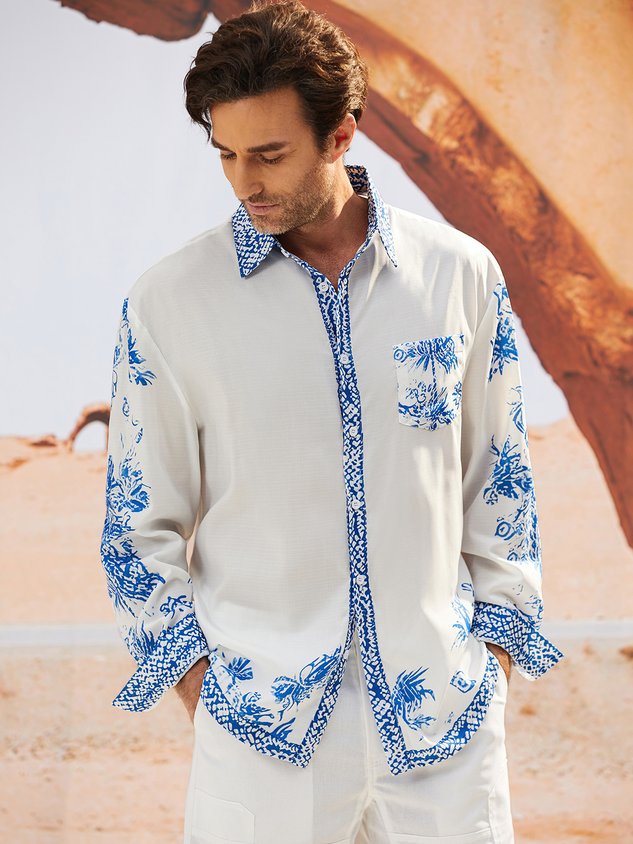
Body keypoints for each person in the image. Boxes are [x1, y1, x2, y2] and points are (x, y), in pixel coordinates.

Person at [99, 1, 565, 841]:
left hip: (443, 728)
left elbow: (500, 484)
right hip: (260, 737)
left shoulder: (459, 276)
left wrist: (490, 660)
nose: (245, 182)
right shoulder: (171, 303)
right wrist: (209, 691)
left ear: (340, 135)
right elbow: (140, 527)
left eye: (269, 154)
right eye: (227, 154)